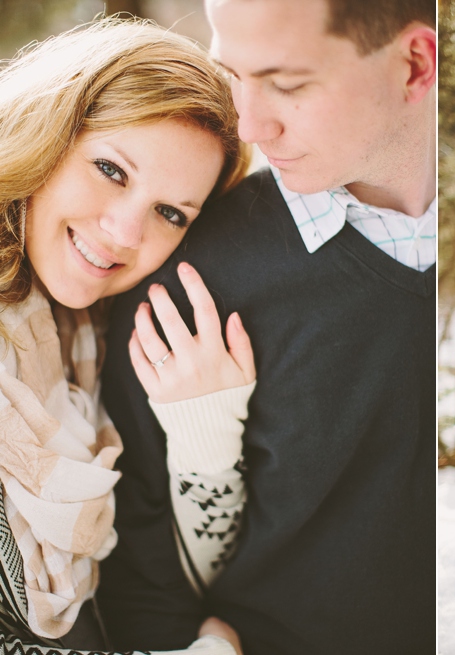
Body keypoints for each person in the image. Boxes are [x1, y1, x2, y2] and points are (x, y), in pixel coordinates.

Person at [96, 0, 437, 653]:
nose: (248, 124)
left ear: (416, 64)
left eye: (285, 83)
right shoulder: (192, 271)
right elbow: (141, 571)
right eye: (234, 76)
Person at [0, 16, 257, 655]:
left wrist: (208, 430)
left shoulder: (91, 338)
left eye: (171, 213)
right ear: (46, 127)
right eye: (112, 169)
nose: (124, 233)